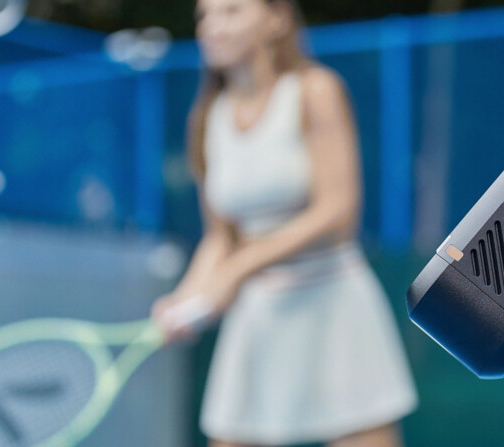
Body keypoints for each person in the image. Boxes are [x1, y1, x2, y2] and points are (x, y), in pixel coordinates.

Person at [150, 0, 418, 446]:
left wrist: (238, 268)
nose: (212, 27)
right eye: (205, 16)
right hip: (257, 321)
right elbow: (221, 237)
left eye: (231, 11)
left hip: (334, 309)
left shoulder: (316, 90)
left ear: (275, 19)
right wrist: (185, 299)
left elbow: (338, 212)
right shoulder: (206, 117)